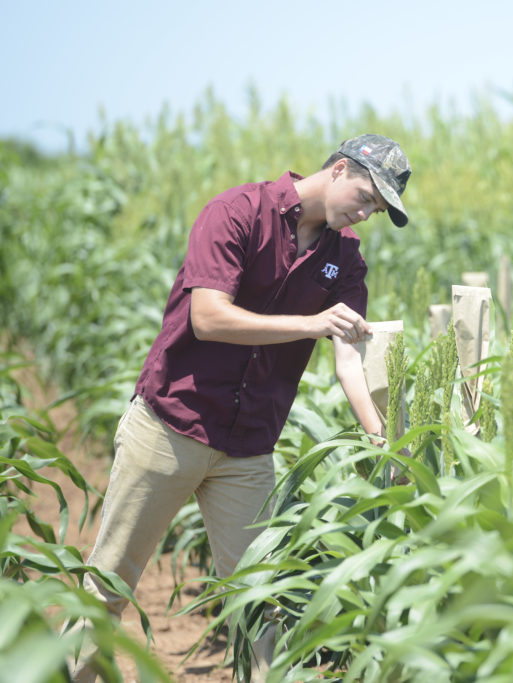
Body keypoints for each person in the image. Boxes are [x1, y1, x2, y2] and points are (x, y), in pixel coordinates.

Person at [69, 133, 412, 682]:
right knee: (109, 583)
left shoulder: (343, 259)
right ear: (341, 170)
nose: (367, 215)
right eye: (368, 198)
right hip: (171, 427)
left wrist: (380, 438)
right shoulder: (238, 212)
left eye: (376, 209)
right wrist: (310, 323)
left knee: (260, 603)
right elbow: (208, 318)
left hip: (249, 447)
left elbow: (349, 358)